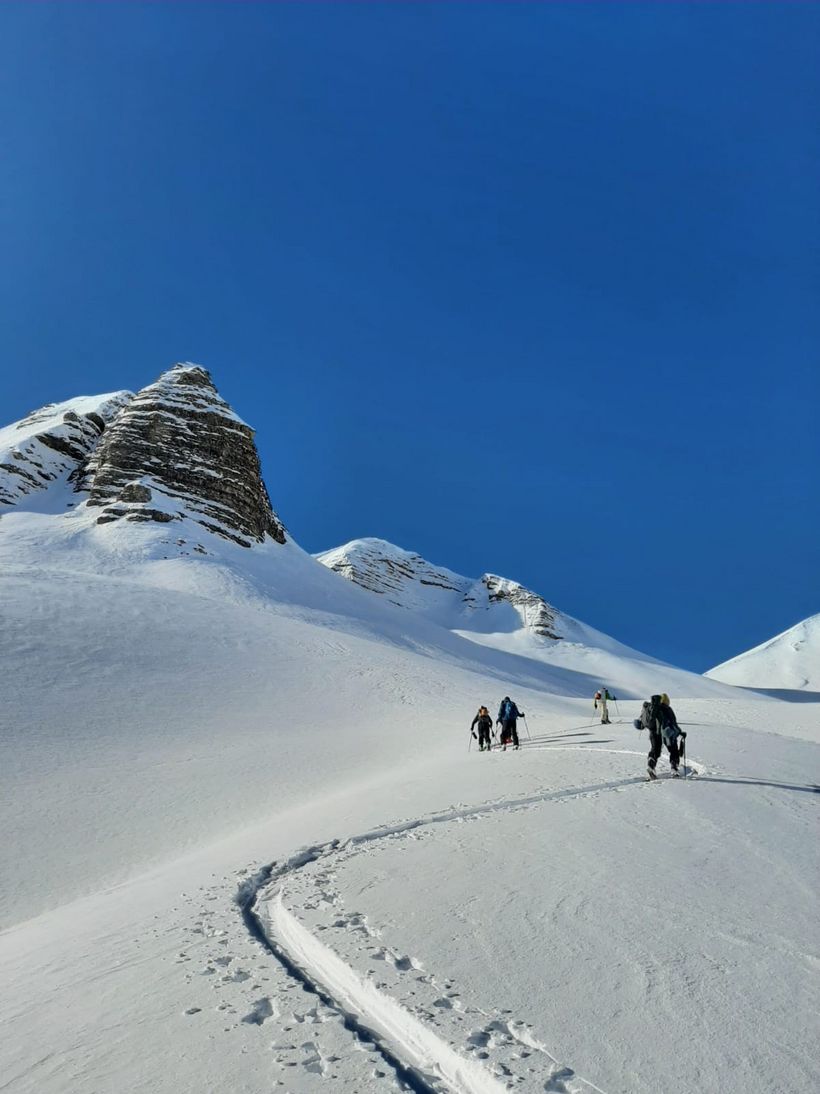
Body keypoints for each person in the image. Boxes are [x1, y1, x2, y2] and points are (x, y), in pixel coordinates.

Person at [643, 694, 686, 779]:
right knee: (673, 750)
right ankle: (674, 769)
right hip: (667, 733)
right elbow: (673, 723)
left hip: (653, 732)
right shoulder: (667, 709)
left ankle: (651, 766)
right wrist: (680, 732)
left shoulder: (651, 708)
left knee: (655, 750)